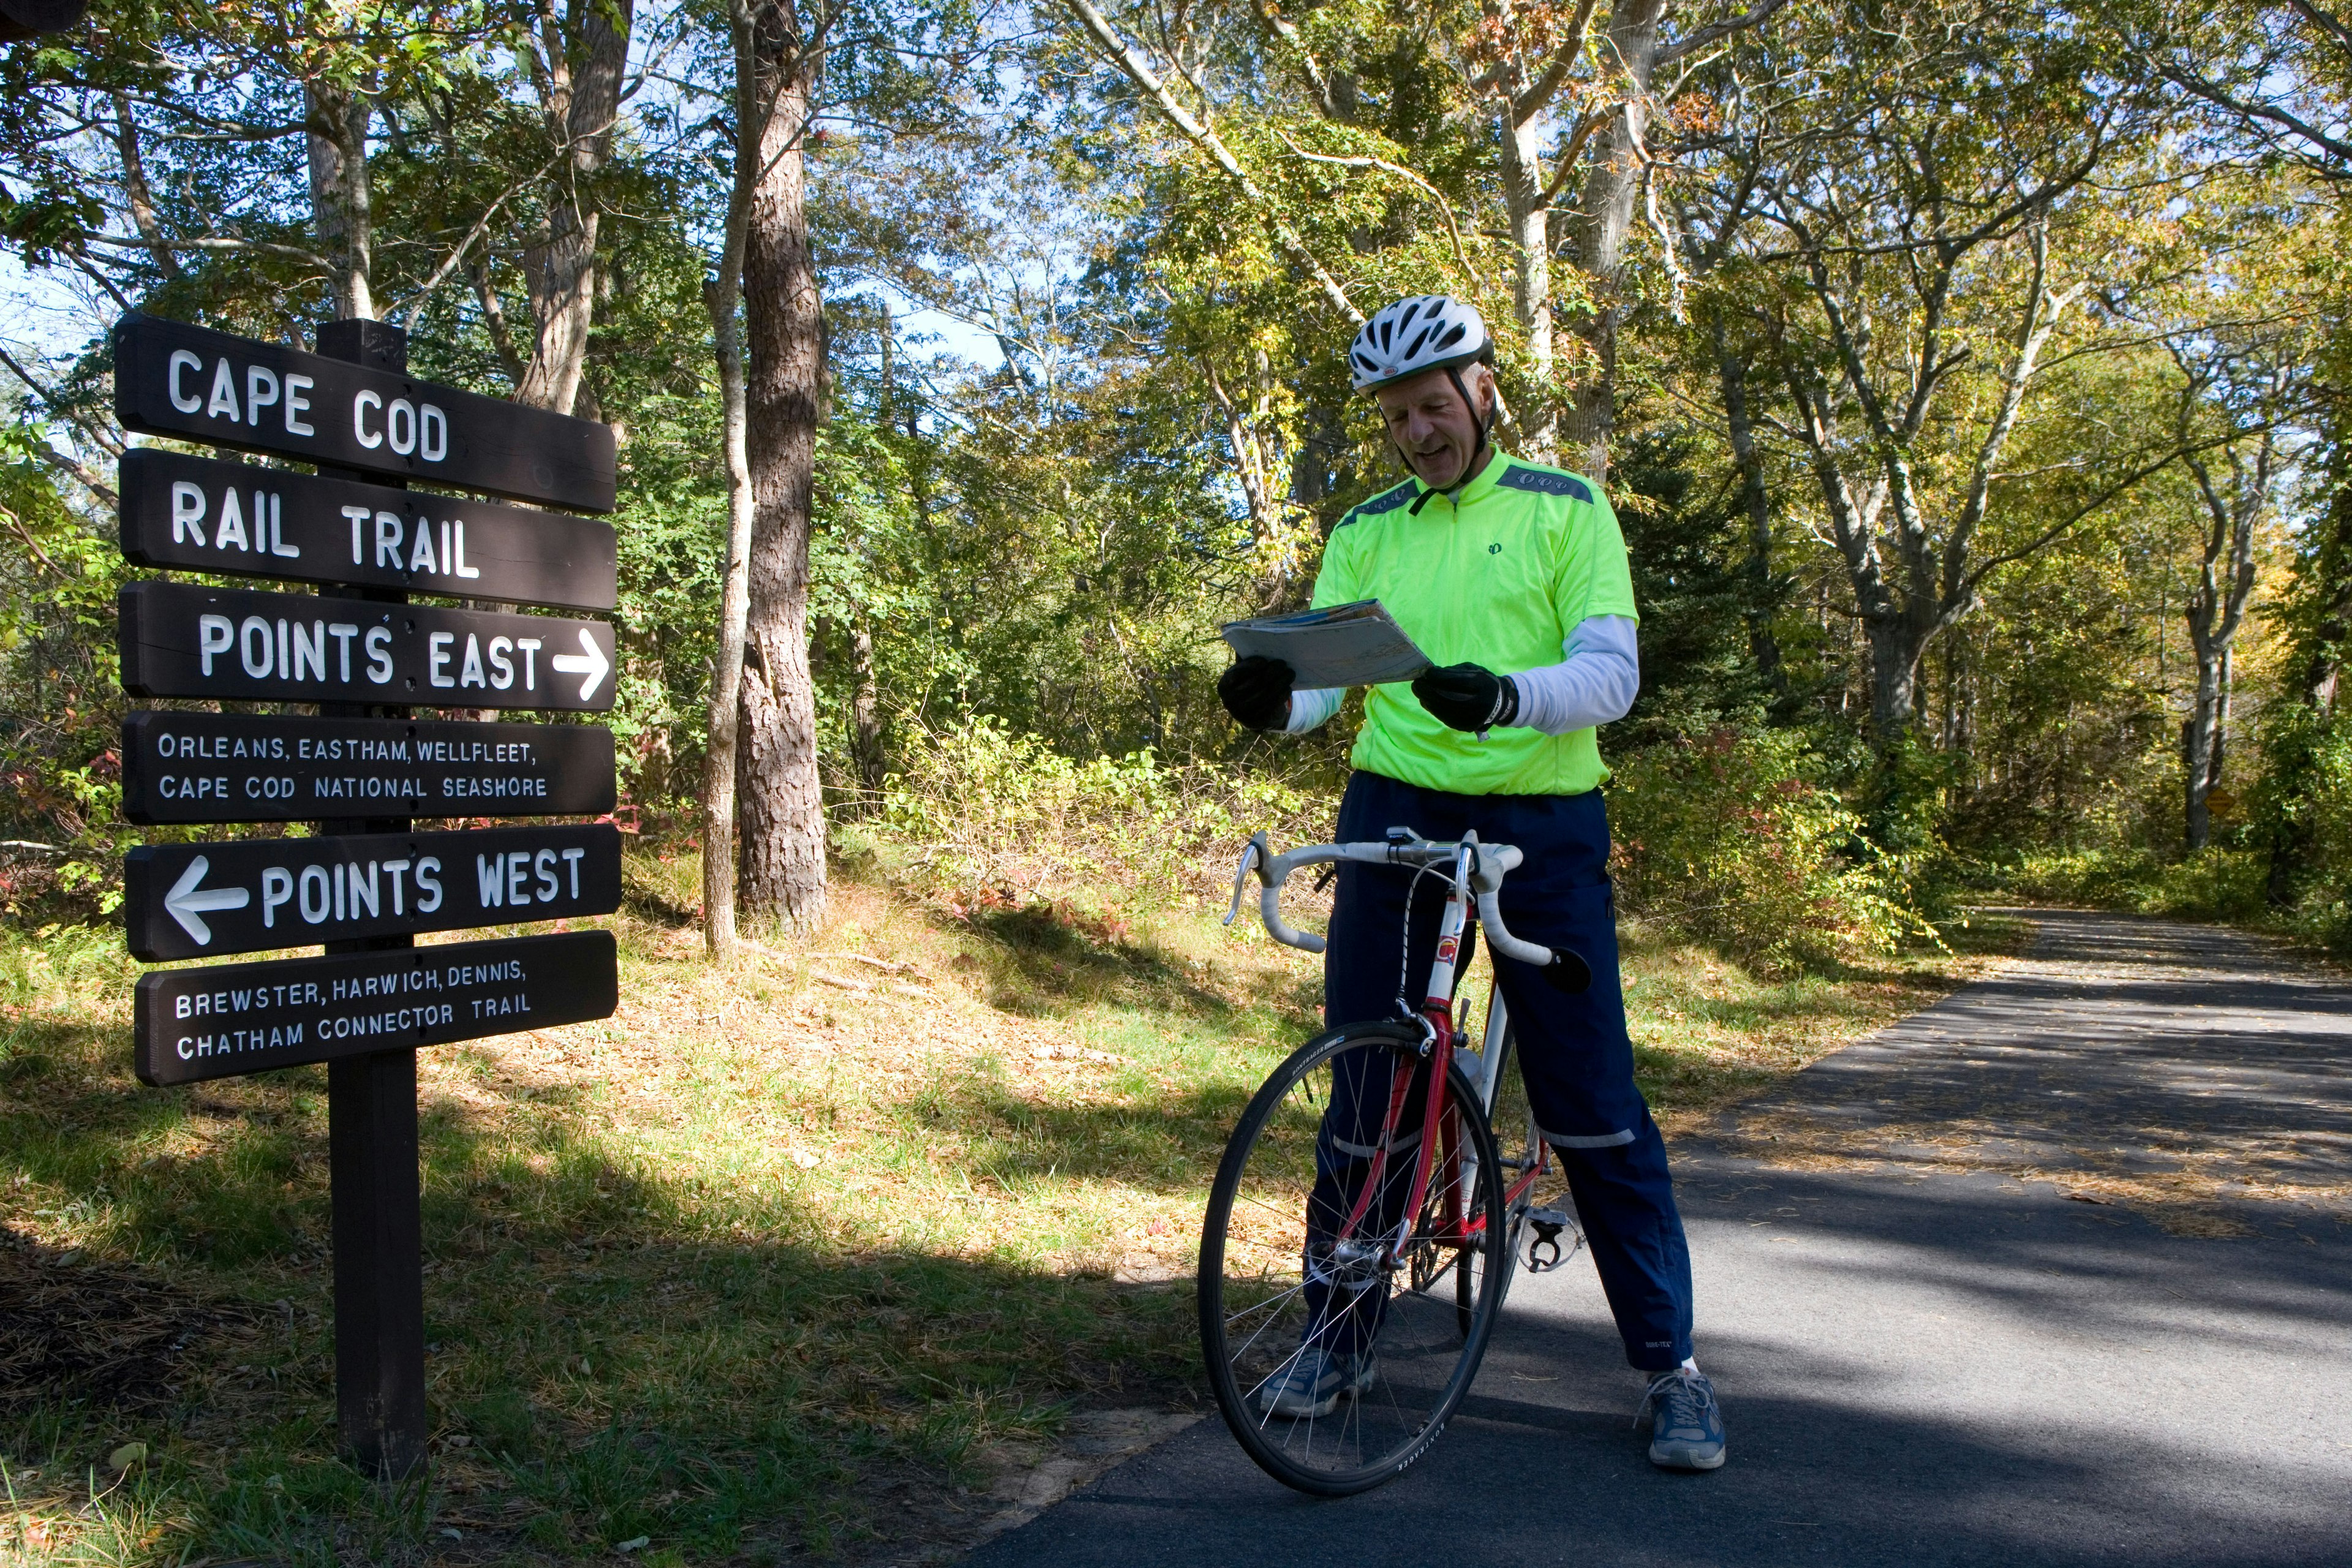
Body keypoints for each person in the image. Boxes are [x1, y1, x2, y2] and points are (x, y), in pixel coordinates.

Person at [1216, 295, 1725, 1472]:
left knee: (1592, 1101)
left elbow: (1609, 676)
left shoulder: (1567, 509)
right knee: (1369, 1082)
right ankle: (1336, 1337)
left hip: (1543, 817)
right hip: (1397, 807)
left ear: (1484, 391)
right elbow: (1325, 685)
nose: (1419, 434)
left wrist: (1504, 695)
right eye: (1398, 417)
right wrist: (1272, 700)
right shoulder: (1370, 529)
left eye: (1435, 407)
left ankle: (1670, 1368)